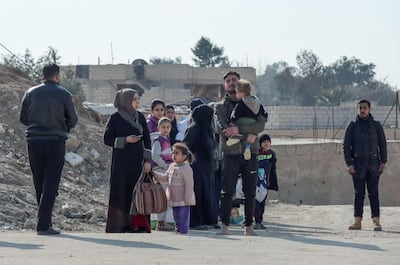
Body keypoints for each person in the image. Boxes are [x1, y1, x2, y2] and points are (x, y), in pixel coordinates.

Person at [19, 63, 78, 235]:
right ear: (57, 76)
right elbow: (73, 120)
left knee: (39, 180)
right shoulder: (64, 94)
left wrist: (36, 127)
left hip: (34, 140)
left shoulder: (30, 92)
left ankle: (44, 221)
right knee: (51, 181)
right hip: (55, 140)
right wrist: (62, 127)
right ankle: (44, 224)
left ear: (42, 75)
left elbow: (23, 118)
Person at [214, 71, 267, 236]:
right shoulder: (220, 106)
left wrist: (239, 130)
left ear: (240, 84)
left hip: (250, 152)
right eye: (228, 80)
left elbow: (260, 125)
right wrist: (245, 134)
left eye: (234, 80)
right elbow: (221, 128)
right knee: (227, 191)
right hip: (230, 153)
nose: (231, 83)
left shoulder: (254, 103)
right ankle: (225, 226)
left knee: (250, 191)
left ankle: (248, 226)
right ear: (224, 85)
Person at [104, 88, 152, 233]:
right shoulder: (115, 118)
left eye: (138, 99)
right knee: (121, 192)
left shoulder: (141, 117)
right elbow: (107, 139)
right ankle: (120, 225)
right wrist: (125, 140)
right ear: (126, 101)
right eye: (134, 99)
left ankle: (139, 225)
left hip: (138, 162)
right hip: (121, 164)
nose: (137, 102)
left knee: (138, 193)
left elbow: (147, 140)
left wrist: (148, 161)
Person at [343, 99, 387, 231]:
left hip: (374, 165)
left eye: (365, 108)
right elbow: (346, 146)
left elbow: (383, 145)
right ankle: (357, 221)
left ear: (369, 109)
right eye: (360, 108)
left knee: (373, 194)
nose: (362, 110)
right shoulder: (352, 126)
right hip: (357, 166)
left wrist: (383, 161)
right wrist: (349, 163)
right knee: (358, 194)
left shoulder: (376, 126)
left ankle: (376, 221)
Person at [183, 104, 218, 230]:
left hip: (208, 167)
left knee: (208, 194)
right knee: (197, 194)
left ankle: (209, 220)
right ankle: (196, 222)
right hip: (196, 167)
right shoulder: (194, 128)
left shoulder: (208, 129)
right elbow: (185, 146)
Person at [153, 143, 196, 234]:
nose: (174, 155)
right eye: (173, 153)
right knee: (176, 215)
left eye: (177, 153)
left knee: (183, 215)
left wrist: (188, 198)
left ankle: (183, 230)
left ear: (184, 156)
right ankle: (178, 229)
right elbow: (165, 178)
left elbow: (189, 185)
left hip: (183, 199)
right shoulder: (172, 166)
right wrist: (155, 175)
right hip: (173, 197)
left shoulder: (186, 168)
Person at [227, 79, 266, 160]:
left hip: (242, 123)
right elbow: (264, 115)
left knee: (236, 127)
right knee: (252, 133)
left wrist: (232, 123)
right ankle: (247, 147)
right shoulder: (257, 102)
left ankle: (236, 138)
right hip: (253, 126)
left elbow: (234, 115)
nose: (236, 95)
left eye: (237, 93)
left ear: (241, 93)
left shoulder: (241, 103)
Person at [151, 117, 174, 231]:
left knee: (166, 197)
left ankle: (163, 221)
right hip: (160, 170)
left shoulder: (166, 140)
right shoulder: (158, 140)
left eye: (168, 127)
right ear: (158, 128)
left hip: (166, 169)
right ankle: (160, 222)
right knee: (162, 197)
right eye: (163, 127)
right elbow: (155, 156)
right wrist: (165, 166)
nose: (165, 129)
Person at [254, 134, 278, 230]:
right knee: (254, 202)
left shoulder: (271, 154)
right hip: (255, 183)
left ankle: (260, 221)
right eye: (264, 142)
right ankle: (255, 221)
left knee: (262, 203)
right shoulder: (256, 153)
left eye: (268, 142)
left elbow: (272, 169)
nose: (266, 143)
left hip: (264, 182)